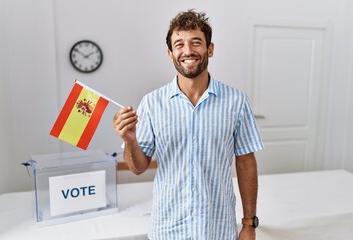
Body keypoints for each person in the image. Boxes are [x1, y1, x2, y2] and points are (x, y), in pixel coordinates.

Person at [113, 9, 264, 240]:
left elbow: (246, 164)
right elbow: (138, 167)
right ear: (170, 53)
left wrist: (248, 224)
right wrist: (130, 140)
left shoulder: (237, 101)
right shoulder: (152, 103)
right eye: (179, 44)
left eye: (196, 42)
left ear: (210, 49)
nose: (188, 51)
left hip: (218, 229)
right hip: (168, 229)